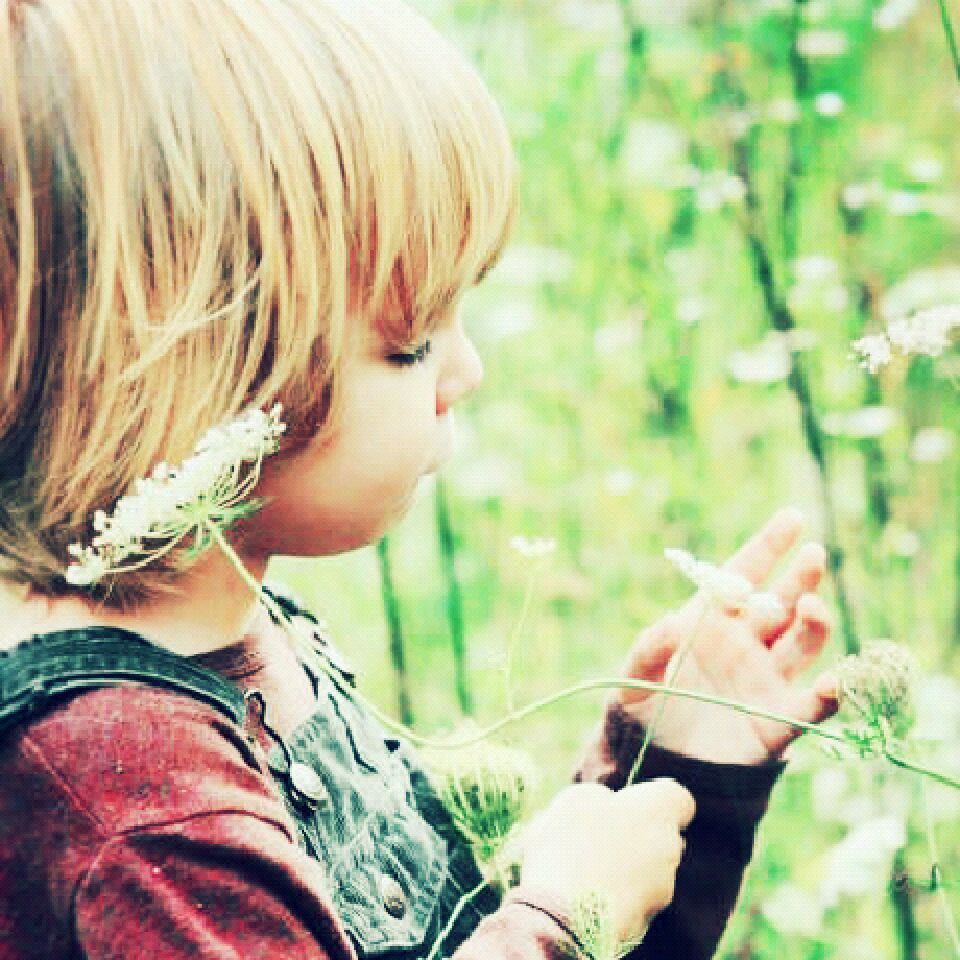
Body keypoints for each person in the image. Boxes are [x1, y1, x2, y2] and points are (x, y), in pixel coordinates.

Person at [0, 0, 838, 957]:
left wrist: (675, 779)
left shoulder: (234, 645)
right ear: (189, 369)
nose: (465, 372)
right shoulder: (135, 804)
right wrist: (563, 920)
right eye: (411, 343)